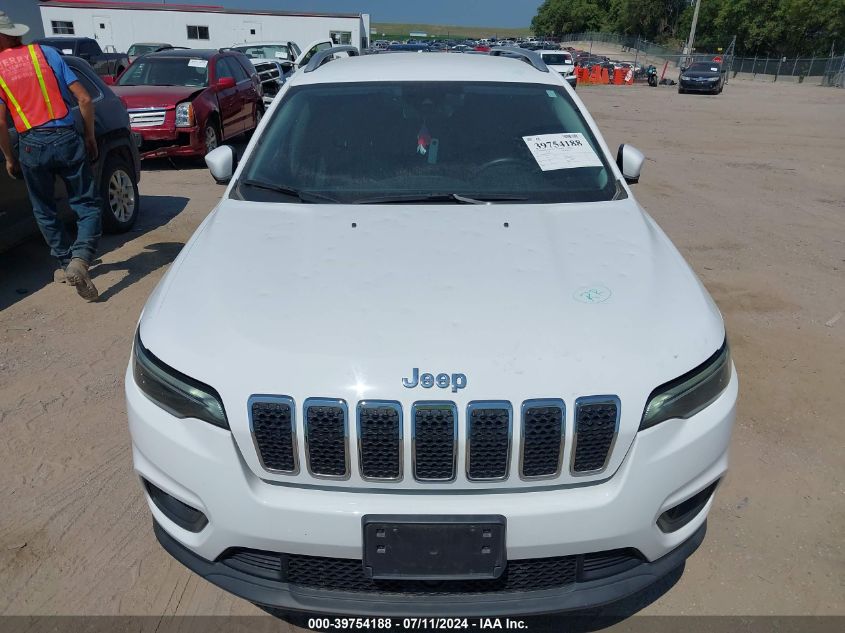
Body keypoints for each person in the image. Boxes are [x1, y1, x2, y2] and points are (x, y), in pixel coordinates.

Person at [0, 11, 101, 301]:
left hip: (31, 144)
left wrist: (9, 156)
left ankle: (65, 261)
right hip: (67, 136)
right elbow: (83, 99)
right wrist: (90, 136)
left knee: (44, 209)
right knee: (86, 202)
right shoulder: (46, 54)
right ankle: (80, 260)